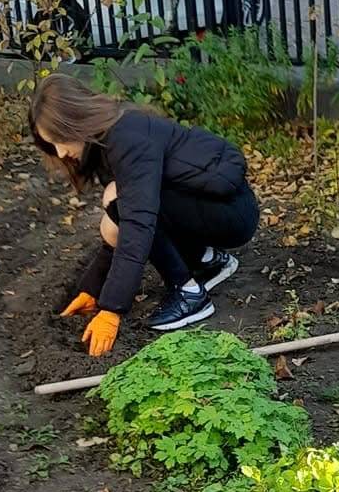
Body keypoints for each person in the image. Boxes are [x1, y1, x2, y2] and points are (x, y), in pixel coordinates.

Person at [29, 71, 261, 357]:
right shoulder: (108, 139)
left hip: (231, 215)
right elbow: (122, 227)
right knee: (117, 210)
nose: (61, 153)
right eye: (51, 145)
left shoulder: (127, 141)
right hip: (212, 205)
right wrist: (92, 288)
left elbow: (138, 226)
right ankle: (207, 261)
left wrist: (112, 308)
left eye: (59, 140)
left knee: (121, 202)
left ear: (75, 120)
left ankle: (189, 294)